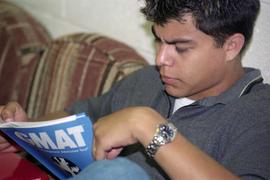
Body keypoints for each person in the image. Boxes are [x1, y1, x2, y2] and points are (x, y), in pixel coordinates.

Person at [1, 0, 270, 179]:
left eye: (181, 47)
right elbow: (75, 117)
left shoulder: (259, 111)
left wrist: (145, 125)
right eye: (159, 42)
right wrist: (23, 129)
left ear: (231, 46)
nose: (161, 59)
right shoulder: (148, 80)